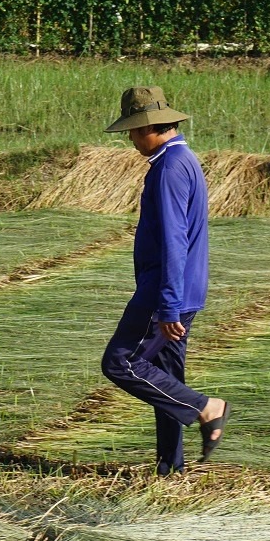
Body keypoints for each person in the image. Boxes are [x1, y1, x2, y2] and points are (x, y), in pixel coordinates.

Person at [99, 86, 230, 475]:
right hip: (184, 289)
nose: (130, 139)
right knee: (166, 376)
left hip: (164, 292)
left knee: (121, 363)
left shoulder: (169, 169)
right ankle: (170, 469)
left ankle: (207, 407)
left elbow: (175, 239)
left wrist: (168, 303)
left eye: (132, 131)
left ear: (147, 128)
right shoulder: (184, 160)